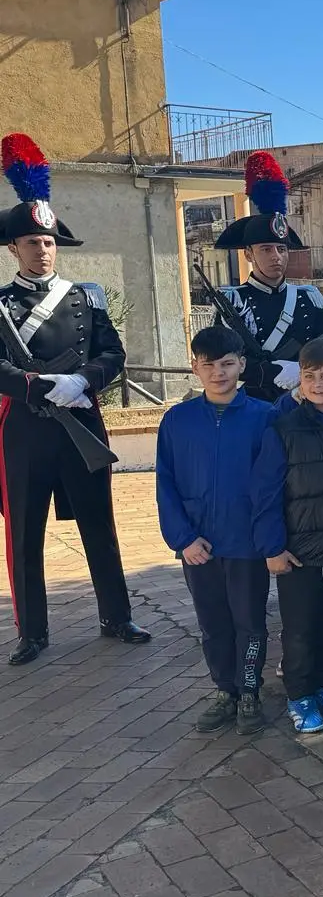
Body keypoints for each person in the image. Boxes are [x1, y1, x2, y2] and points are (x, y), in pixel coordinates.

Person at [1, 132, 150, 665]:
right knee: (24, 534)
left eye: (49, 242)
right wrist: (38, 385)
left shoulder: (86, 296)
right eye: (32, 243)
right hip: (26, 429)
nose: (42, 250)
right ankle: (32, 632)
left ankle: (117, 615)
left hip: (81, 423)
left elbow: (113, 353)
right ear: (14, 248)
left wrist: (82, 382)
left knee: (98, 524)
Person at [156, 326, 273, 733]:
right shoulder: (177, 420)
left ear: (241, 364)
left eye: (227, 364)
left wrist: (267, 538)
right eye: (209, 365)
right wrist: (183, 538)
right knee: (212, 623)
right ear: (195, 368)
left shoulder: (265, 417)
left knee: (249, 622)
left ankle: (250, 692)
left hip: (247, 544)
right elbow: (165, 482)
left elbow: (273, 484)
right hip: (198, 545)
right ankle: (226, 690)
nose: (219, 373)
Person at [250, 336, 323, 734]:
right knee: (300, 625)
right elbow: (265, 491)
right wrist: (273, 546)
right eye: (310, 376)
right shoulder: (284, 426)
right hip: (298, 546)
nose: (318, 384)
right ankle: (300, 694)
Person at [213, 151, 323, 402]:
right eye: (266, 250)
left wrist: (301, 373)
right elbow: (223, 357)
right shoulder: (233, 301)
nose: (276, 257)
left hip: (305, 398)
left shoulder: (308, 298)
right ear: (248, 254)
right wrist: (273, 372)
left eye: (281, 249)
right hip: (255, 402)